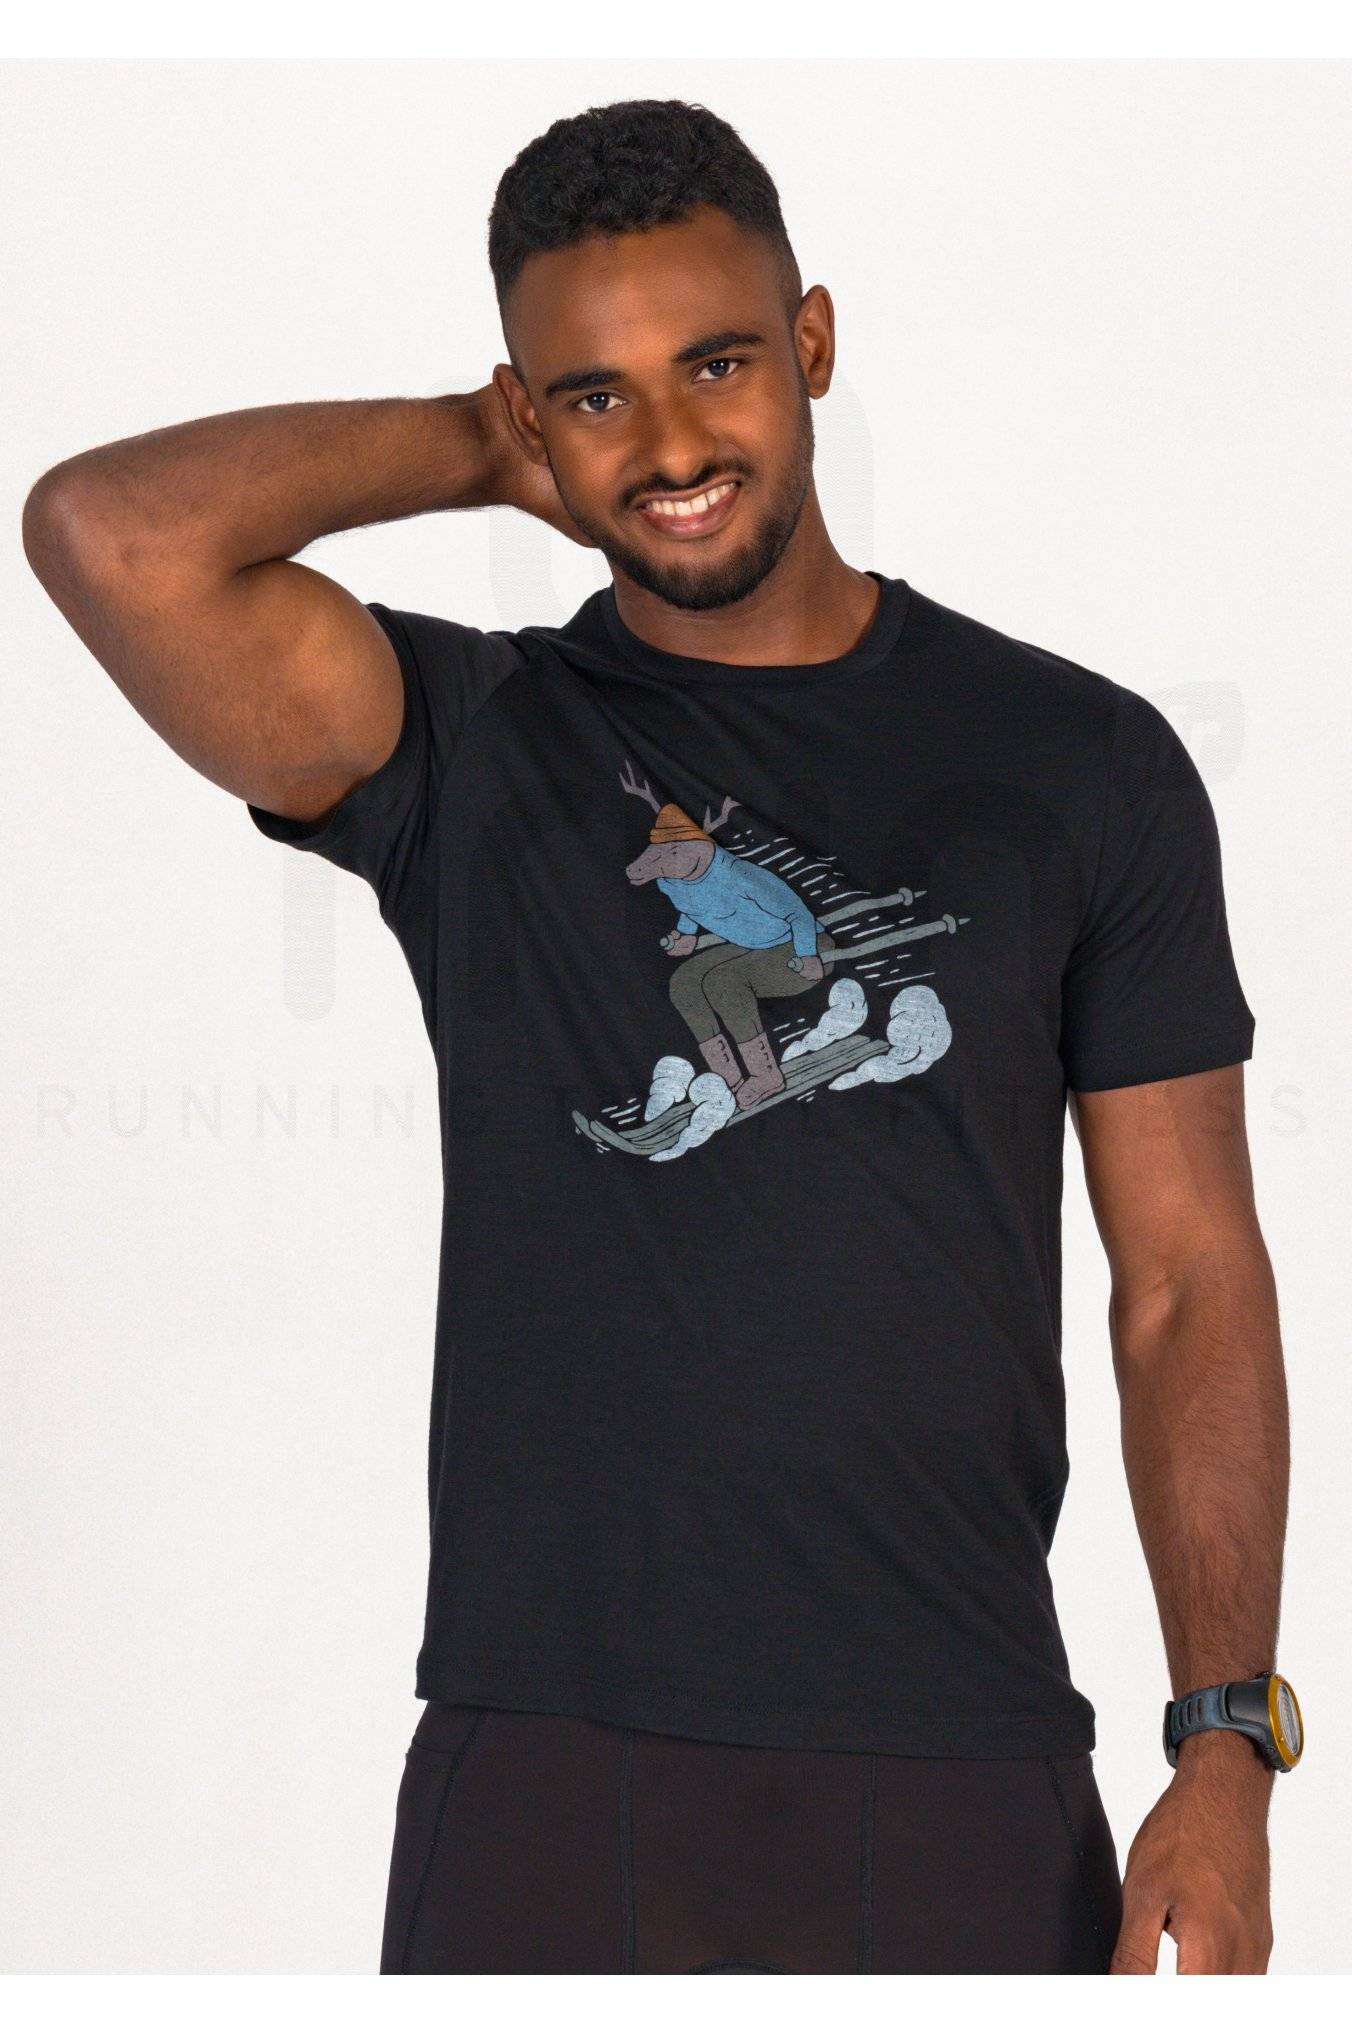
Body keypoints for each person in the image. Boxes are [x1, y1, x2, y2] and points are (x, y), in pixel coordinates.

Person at [23, 97, 1295, 1975]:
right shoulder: (469, 743)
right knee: (716, 999)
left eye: (716, 363)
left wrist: (1223, 1745)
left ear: (813, 342)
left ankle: (797, 1037)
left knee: (735, 993)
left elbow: (1187, 1278)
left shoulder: (1081, 762)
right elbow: (105, 536)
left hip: (955, 1759)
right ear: (533, 419)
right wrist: (479, 448)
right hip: (550, 1773)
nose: (676, 444)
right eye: (596, 396)